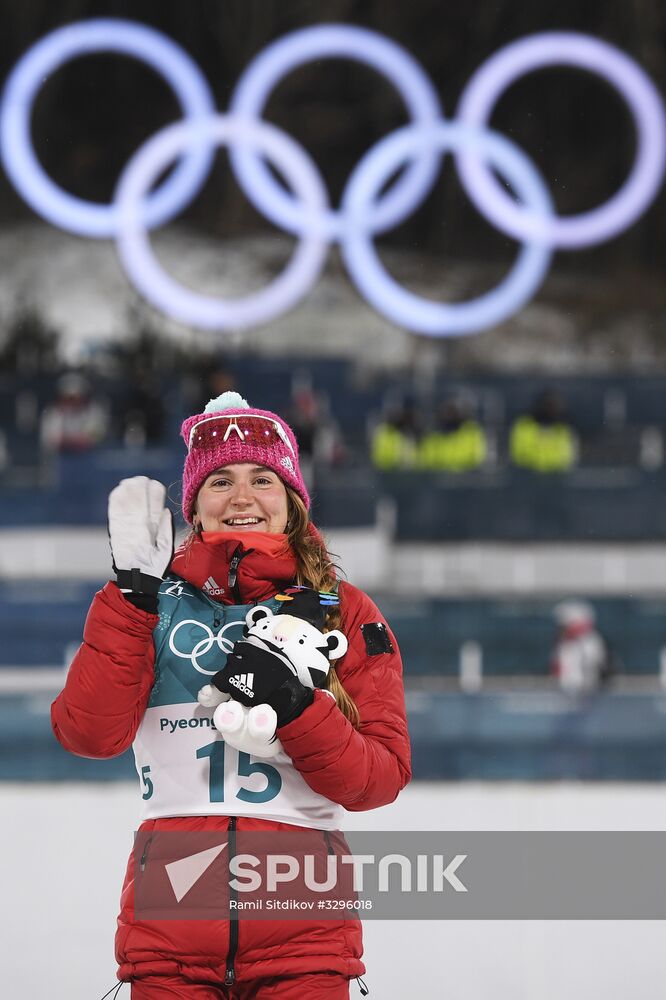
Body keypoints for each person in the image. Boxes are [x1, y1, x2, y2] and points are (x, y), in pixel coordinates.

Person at [51, 391, 411, 999]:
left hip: (306, 935)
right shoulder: (148, 605)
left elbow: (378, 780)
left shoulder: (344, 613)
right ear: (193, 504)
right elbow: (88, 734)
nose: (242, 498)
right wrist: (133, 597)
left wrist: (298, 710)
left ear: (292, 500)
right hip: (169, 937)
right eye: (220, 480)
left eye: (262, 478)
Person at [550, 600, 615, 694]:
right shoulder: (562, 644)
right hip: (565, 694)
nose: (562, 629)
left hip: (588, 695)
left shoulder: (592, 642)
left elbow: (602, 670)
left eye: (566, 625)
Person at [509, 389, 577, 473]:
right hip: (527, 475)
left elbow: (566, 458)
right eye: (549, 406)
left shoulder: (563, 429)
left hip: (556, 477)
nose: (552, 411)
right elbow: (520, 456)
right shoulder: (524, 425)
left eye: (554, 407)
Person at [418, 398, 487, 472]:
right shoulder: (431, 437)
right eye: (446, 411)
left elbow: (478, 461)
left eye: (452, 411)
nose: (448, 415)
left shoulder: (472, 432)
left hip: (466, 479)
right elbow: (426, 464)